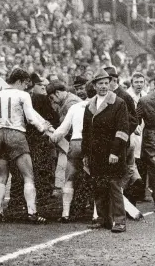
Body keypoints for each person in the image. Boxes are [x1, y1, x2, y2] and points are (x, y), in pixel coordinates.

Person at [0, 68, 51, 223]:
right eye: (25, 84)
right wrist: (42, 127)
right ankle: (32, 213)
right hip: (16, 134)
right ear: (19, 81)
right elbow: (31, 118)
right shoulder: (23, 95)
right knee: (28, 176)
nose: (26, 87)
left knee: (2, 176)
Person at [82, 69, 129, 233]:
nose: (103, 86)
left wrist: (115, 152)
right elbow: (86, 132)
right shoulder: (89, 106)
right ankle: (103, 219)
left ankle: (120, 221)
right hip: (96, 154)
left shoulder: (119, 103)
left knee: (114, 187)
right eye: (100, 83)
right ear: (94, 86)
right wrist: (86, 154)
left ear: (110, 84)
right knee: (99, 186)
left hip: (112, 154)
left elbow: (122, 130)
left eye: (106, 83)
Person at [50, 82, 96, 222]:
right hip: (92, 144)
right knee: (95, 178)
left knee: (69, 178)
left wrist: (52, 136)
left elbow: (62, 130)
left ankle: (65, 213)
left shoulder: (75, 107)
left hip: (75, 143)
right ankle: (96, 215)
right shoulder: (98, 106)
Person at [104, 67, 140, 195]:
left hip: (122, 141)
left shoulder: (124, 96)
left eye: (106, 82)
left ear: (114, 81)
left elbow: (134, 120)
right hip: (111, 141)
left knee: (122, 171)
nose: (104, 85)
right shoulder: (106, 95)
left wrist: (122, 134)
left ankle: (128, 204)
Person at [126, 72, 147, 202]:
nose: (139, 85)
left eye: (141, 82)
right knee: (132, 162)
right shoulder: (128, 96)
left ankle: (140, 193)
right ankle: (131, 195)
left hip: (142, 131)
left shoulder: (145, 96)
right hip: (131, 132)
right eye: (136, 82)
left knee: (141, 161)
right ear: (132, 83)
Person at [136, 89, 155, 209]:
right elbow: (136, 118)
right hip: (151, 138)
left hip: (150, 138)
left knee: (153, 169)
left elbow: (136, 118)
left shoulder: (144, 100)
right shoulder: (145, 100)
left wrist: (137, 128)